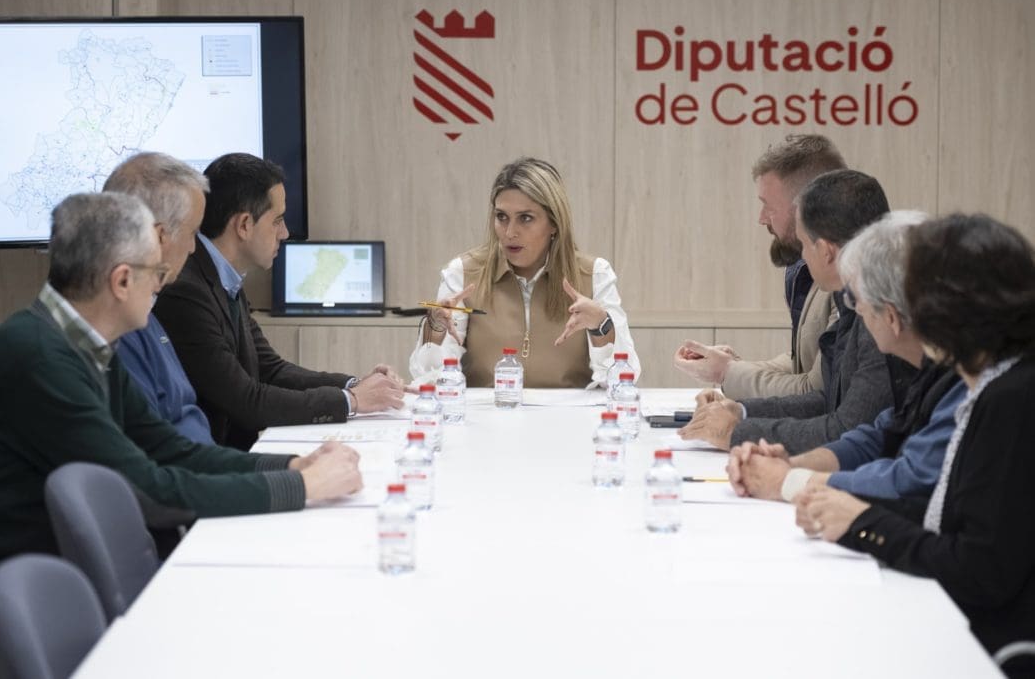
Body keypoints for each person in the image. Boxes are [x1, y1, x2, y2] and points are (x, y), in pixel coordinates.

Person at [0, 193, 363, 657]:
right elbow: (149, 492)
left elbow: (170, 448)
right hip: (17, 601)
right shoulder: (39, 357)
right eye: (157, 274)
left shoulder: (84, 344)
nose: (164, 285)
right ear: (121, 280)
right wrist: (302, 488)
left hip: (63, 573)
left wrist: (292, 466)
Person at [794, 213, 1035, 667]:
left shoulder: (1011, 398)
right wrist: (851, 513)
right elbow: (950, 515)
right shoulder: (993, 383)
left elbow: (979, 570)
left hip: (989, 648)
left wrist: (864, 522)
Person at [153, 153, 405, 450]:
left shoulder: (223, 277)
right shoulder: (186, 290)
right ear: (244, 225)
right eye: (277, 220)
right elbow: (246, 401)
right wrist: (351, 401)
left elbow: (270, 369)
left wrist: (354, 385)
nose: (285, 233)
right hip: (211, 460)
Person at [726, 211, 965, 502]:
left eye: (856, 299)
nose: (856, 309)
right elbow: (878, 435)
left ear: (890, 316)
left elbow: (909, 479)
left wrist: (789, 481)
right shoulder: (931, 369)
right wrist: (791, 464)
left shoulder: (964, 382)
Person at [680, 169, 913, 453]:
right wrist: (741, 411)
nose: (801, 256)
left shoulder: (877, 317)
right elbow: (830, 400)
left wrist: (736, 432)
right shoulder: (852, 303)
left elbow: (847, 429)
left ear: (826, 251)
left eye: (803, 244)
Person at [408, 157, 639, 388]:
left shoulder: (594, 274)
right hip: (488, 409)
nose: (510, 232)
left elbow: (624, 378)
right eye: (501, 217)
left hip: (568, 410)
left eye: (525, 218)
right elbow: (429, 377)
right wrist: (435, 328)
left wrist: (601, 326)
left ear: (554, 222)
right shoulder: (463, 272)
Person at [674, 135, 844, 398]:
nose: (761, 218)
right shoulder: (804, 269)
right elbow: (803, 362)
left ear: (806, 208)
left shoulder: (844, 279)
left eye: (769, 207)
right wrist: (734, 367)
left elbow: (817, 391)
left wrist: (727, 372)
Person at [104, 152, 215, 443]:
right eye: (193, 233)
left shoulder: (146, 312)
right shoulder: (119, 327)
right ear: (160, 236)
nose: (193, 248)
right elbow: (156, 453)